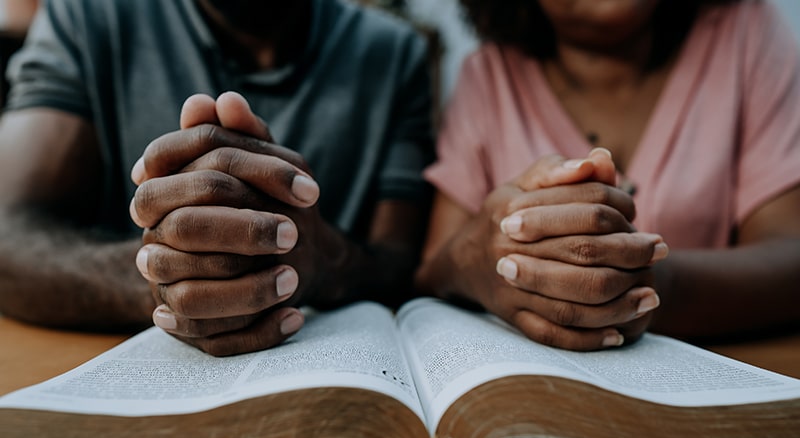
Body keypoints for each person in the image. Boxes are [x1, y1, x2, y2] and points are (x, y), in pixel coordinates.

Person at [0, 0, 435, 355]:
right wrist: (170, 276)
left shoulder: (393, 53)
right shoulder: (86, 16)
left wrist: (325, 258)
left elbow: (401, 263)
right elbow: (7, 232)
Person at [415, 0, 800, 350]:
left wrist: (653, 285)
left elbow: (789, 253)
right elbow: (434, 271)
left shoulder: (745, 31)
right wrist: (481, 259)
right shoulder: (488, 76)